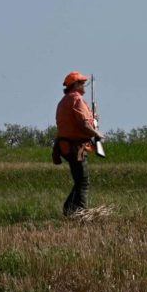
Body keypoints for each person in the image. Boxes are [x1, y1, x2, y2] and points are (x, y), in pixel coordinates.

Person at [55, 71, 103, 216]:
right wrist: (97, 134)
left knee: (79, 181)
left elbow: (80, 121)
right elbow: (83, 124)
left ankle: (70, 210)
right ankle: (80, 213)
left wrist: (93, 118)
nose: (84, 86)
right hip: (75, 147)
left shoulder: (64, 101)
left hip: (66, 146)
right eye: (82, 83)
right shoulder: (77, 99)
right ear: (75, 85)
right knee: (83, 182)